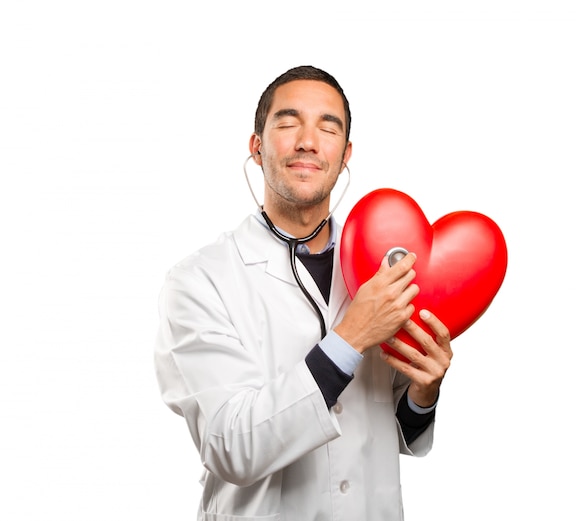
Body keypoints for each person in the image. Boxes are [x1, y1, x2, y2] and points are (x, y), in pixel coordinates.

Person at [154, 65, 453, 521]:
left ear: (345, 153)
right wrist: (350, 338)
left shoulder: (382, 268)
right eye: (288, 123)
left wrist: (422, 393)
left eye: (327, 127)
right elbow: (229, 445)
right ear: (256, 147)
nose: (308, 141)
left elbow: (391, 427)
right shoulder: (200, 280)